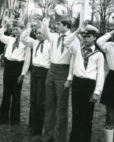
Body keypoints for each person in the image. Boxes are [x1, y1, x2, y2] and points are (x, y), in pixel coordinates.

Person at [41, 11, 79, 142]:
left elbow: (74, 60)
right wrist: (46, 19)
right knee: (49, 105)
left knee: (62, 107)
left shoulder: (75, 39)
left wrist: (69, 78)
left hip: (64, 71)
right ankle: (47, 136)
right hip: (51, 71)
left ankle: (60, 138)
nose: (55, 26)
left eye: (57, 24)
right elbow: (44, 32)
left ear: (65, 25)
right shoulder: (54, 36)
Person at [64, 23, 105, 142]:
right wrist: (77, 32)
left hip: (89, 85)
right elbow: (66, 42)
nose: (86, 38)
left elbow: (100, 74)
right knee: (76, 113)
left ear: (94, 38)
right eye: (85, 36)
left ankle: (85, 139)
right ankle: (74, 139)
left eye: (89, 36)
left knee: (87, 115)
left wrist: (97, 91)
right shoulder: (77, 49)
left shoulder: (98, 54)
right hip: (77, 83)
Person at [0, 18, 31, 125]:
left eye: (17, 29)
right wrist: (6, 26)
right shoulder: (11, 39)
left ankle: (15, 120)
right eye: (13, 29)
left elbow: (27, 60)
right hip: (8, 66)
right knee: (6, 93)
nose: (14, 31)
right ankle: (3, 118)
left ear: (23, 29)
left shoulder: (26, 41)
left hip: (18, 67)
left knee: (16, 94)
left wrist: (23, 74)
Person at [20, 20, 51, 136]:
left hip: (44, 72)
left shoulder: (50, 44)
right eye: (37, 33)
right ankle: (34, 126)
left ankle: (43, 127)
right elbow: (23, 38)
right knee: (33, 100)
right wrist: (29, 27)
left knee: (40, 101)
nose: (38, 35)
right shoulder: (35, 43)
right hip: (34, 72)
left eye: (41, 33)